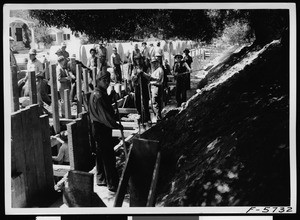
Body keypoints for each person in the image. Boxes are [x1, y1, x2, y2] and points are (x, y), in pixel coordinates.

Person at [88, 70, 122, 192]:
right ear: (98, 81)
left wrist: (111, 97)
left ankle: (101, 179)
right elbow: (105, 116)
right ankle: (112, 184)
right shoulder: (99, 96)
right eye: (104, 80)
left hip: (97, 127)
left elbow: (105, 107)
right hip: (102, 128)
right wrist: (116, 125)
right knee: (108, 156)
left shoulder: (98, 93)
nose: (107, 83)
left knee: (100, 154)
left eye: (108, 80)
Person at [143, 57, 164, 122]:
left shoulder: (159, 70)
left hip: (156, 86)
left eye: (155, 63)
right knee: (155, 102)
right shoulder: (155, 70)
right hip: (154, 86)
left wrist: (146, 75)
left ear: (157, 63)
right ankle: (158, 116)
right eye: (152, 63)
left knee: (155, 102)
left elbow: (156, 79)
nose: (153, 64)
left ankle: (158, 117)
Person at [131, 56, 151, 125]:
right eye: (137, 60)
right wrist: (137, 76)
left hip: (144, 86)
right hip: (137, 87)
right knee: (138, 102)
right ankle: (140, 117)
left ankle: (147, 118)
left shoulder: (146, 67)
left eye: (139, 59)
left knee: (145, 102)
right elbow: (132, 78)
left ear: (142, 60)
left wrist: (143, 73)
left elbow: (149, 77)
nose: (138, 61)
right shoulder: (134, 69)